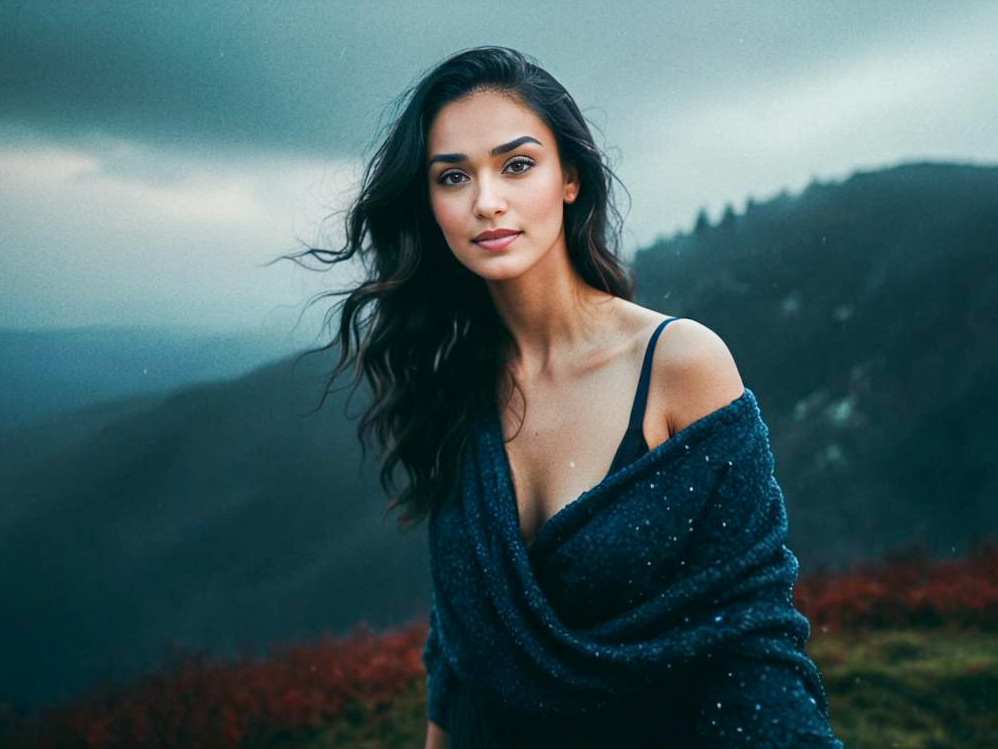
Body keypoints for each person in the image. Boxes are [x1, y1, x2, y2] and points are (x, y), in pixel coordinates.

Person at [289, 46, 843, 749]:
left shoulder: (679, 364)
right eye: (453, 175)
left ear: (570, 178)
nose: (486, 199)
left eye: (516, 164)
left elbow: (753, 638)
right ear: (428, 203)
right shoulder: (450, 378)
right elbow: (459, 647)